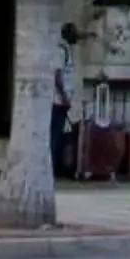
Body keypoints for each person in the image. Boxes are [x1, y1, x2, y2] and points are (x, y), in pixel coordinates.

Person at [51, 21, 81, 179]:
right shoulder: (62, 50)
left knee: (60, 133)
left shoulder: (68, 50)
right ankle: (52, 168)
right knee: (54, 134)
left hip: (63, 99)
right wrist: (64, 97)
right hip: (58, 100)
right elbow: (58, 76)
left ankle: (56, 166)